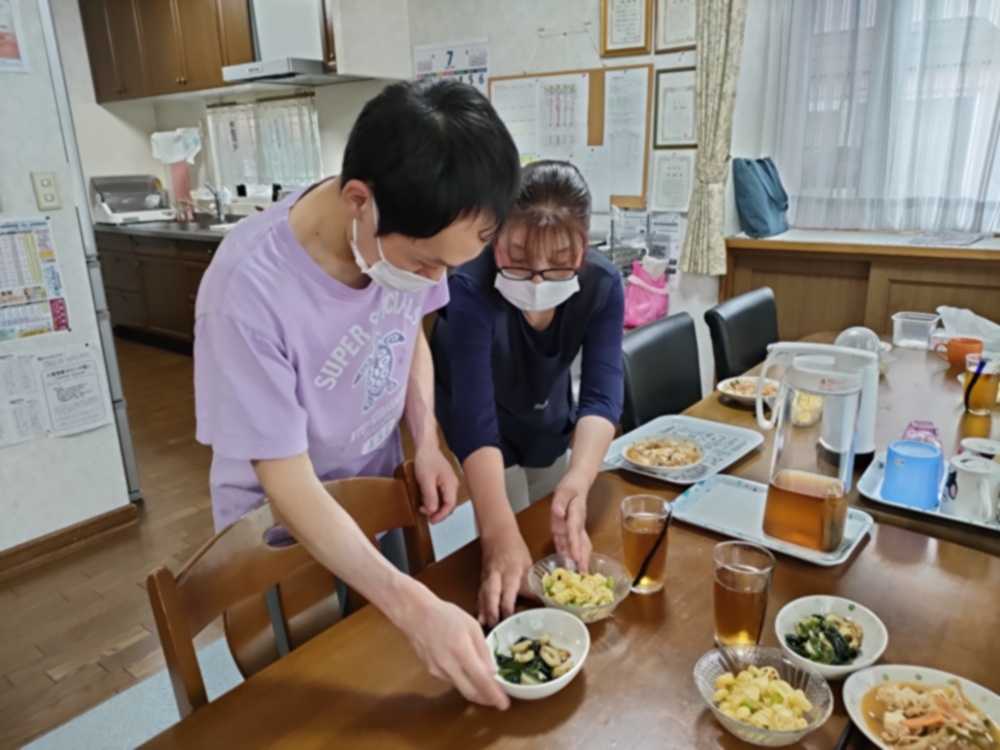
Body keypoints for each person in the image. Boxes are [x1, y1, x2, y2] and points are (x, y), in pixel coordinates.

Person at [193, 79, 520, 710]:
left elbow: (409, 335)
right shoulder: (246, 293)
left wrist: (424, 438)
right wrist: (410, 602)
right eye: (427, 263)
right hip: (280, 535)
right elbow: (286, 483)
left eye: (449, 268)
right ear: (359, 201)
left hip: (372, 499)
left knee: (400, 683)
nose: (435, 281)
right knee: (318, 710)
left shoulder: (401, 241)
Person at [433, 160, 625, 627]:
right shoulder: (468, 287)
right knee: (505, 538)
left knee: (550, 531)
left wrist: (579, 479)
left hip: (546, 419)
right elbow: (474, 421)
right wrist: (498, 532)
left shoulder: (602, 285)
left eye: (558, 262)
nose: (537, 278)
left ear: (583, 246)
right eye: (517, 256)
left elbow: (601, 395)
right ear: (494, 235)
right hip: (480, 428)